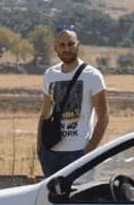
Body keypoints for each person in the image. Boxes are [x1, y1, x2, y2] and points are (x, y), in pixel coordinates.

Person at [37, 25, 109, 176]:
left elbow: (103, 118)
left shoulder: (93, 76)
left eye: (71, 44)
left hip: (78, 153)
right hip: (51, 153)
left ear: (78, 45)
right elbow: (44, 113)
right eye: (62, 45)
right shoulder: (50, 74)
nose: (66, 49)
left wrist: (89, 150)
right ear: (55, 48)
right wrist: (40, 148)